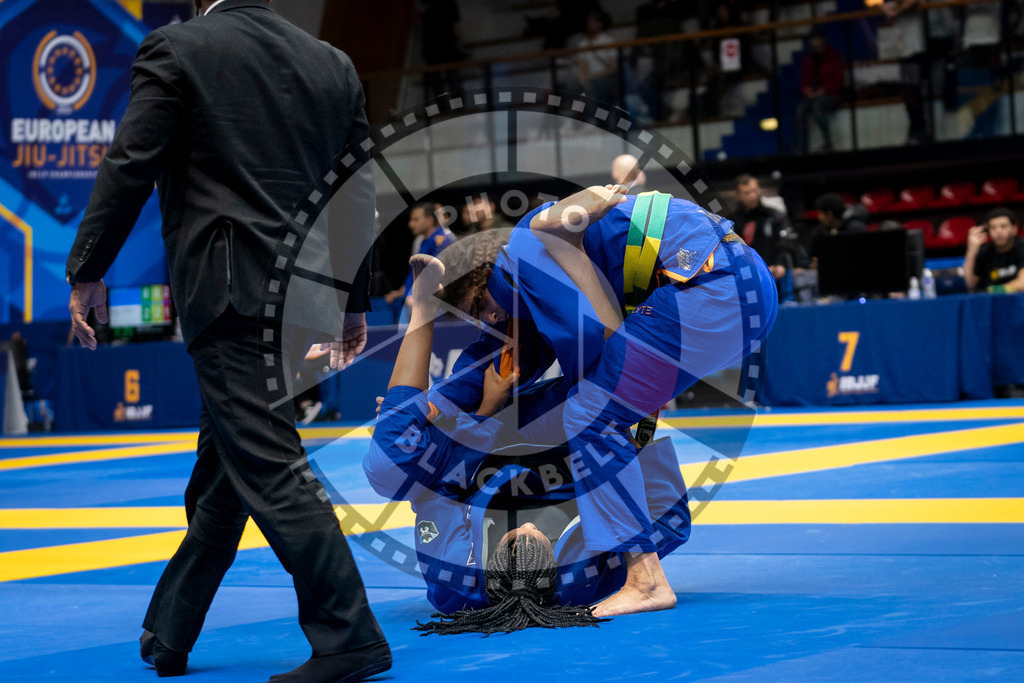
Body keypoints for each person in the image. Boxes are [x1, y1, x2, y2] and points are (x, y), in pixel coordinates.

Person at [64, 1, 390, 681]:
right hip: (300, 294)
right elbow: (358, 192)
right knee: (227, 469)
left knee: (266, 462)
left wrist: (88, 268)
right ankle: (170, 629)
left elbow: (131, 164)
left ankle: (350, 634)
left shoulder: (177, 48)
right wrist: (353, 300)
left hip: (230, 288)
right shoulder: (331, 62)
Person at [435, 185, 777, 617]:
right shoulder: (527, 262)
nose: (490, 319)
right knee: (597, 408)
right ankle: (643, 567)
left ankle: (646, 581)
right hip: (745, 286)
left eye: (478, 306)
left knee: (589, 414)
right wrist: (434, 406)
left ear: (485, 276)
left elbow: (589, 338)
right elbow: (517, 351)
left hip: (708, 283)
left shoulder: (517, 259)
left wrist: (430, 412)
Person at [363, 255, 691, 632]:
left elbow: (432, 490)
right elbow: (673, 520)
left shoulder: (455, 582)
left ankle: (421, 306)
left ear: (497, 558)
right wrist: (631, 445)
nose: (534, 529)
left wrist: (482, 411)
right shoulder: (578, 579)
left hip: (472, 465)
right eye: (543, 539)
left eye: (521, 538)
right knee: (604, 397)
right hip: (552, 457)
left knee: (390, 462)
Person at [733, 174, 802, 295]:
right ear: (738, 195)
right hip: (745, 280)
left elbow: (789, 242)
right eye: (747, 193)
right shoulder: (731, 222)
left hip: (775, 276)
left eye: (754, 191)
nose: (753, 196)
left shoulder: (774, 216)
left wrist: (781, 264)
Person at [384, 202, 457, 309]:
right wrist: (403, 291)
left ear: (430, 220)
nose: (410, 224)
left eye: (416, 220)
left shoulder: (442, 241)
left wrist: (414, 296)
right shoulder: (424, 241)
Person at [796, 32, 845, 154]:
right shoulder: (808, 59)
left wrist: (824, 91)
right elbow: (804, 81)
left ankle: (828, 143)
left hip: (830, 95)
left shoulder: (833, 56)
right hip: (813, 96)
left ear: (823, 40)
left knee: (818, 106)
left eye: (817, 38)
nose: (815, 42)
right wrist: (807, 91)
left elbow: (839, 81)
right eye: (813, 39)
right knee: (800, 109)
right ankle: (801, 148)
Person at [964, 208, 1024, 293]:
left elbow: (1022, 284)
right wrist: (971, 252)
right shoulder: (984, 251)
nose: (998, 231)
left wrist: (994, 290)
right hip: (990, 303)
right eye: (993, 227)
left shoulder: (1021, 247)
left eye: (1003, 226)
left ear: (1014, 229)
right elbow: (970, 284)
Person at [805, 192, 869, 268]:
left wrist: (826, 263)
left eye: (820, 213)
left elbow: (859, 256)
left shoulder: (855, 228)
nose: (819, 217)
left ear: (830, 214)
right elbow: (810, 256)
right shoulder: (820, 231)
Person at [571, 9, 620, 106]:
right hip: (589, 80)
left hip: (606, 79)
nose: (591, 24)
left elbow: (612, 68)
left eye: (594, 21)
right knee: (574, 86)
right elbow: (582, 67)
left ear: (601, 24)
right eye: (589, 21)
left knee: (596, 85)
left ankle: (595, 119)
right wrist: (584, 80)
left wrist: (593, 76)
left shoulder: (608, 41)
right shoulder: (583, 44)